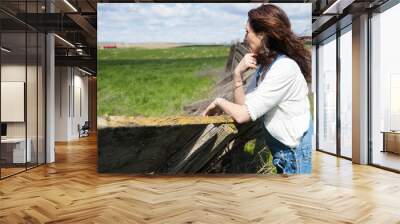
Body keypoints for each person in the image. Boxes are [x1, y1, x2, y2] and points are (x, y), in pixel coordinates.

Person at [202, 4, 313, 174]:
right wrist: (238, 74)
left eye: (247, 32)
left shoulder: (284, 68)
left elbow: (242, 116)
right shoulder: (265, 69)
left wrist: (219, 101)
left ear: (261, 35)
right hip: (283, 151)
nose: (245, 38)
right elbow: (243, 106)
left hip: (294, 153)